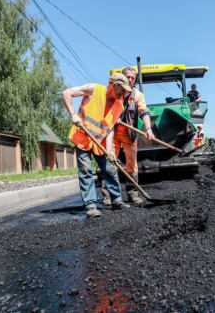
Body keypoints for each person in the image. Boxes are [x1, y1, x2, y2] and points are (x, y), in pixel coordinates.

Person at [62, 73, 131, 217]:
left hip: (99, 141)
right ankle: (91, 205)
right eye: (122, 90)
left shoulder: (119, 105)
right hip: (82, 137)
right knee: (86, 170)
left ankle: (117, 200)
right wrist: (73, 114)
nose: (124, 93)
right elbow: (66, 93)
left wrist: (110, 149)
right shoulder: (94, 89)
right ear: (114, 85)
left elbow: (109, 128)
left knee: (110, 169)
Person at [102, 67, 155, 205]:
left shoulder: (137, 95)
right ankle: (107, 195)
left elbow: (144, 112)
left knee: (132, 165)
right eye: (128, 77)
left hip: (129, 135)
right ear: (123, 78)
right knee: (109, 162)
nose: (130, 79)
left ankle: (133, 194)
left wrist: (148, 128)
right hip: (111, 134)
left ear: (135, 79)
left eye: (133, 77)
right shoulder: (114, 91)